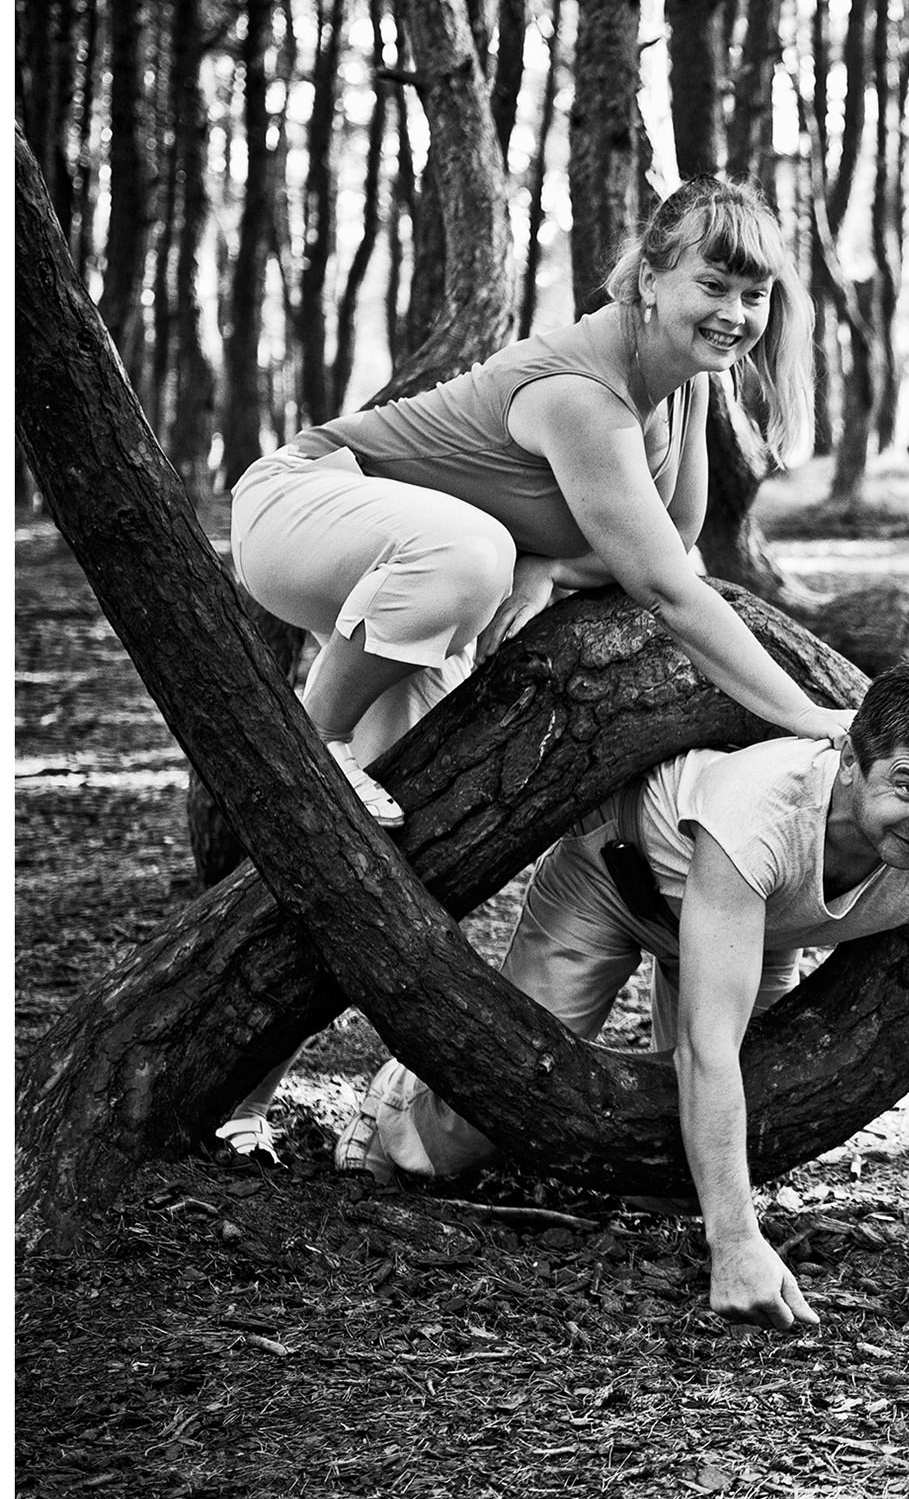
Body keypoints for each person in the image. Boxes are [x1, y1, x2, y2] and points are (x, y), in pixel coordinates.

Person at [215, 175, 845, 1162]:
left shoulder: (674, 391)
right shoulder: (583, 393)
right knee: (472, 556)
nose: (735, 314)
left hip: (416, 602)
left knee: (388, 859)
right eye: (713, 285)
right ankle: (313, 737)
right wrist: (808, 716)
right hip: (303, 506)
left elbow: (658, 555)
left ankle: (235, 1100)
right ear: (646, 279)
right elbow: (675, 596)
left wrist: (548, 556)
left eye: (754, 295)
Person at [338, 658, 909, 1333]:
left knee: (734, 1136)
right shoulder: (762, 810)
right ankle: (400, 1095)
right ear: (851, 760)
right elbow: (705, 1048)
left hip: (753, 923)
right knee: (473, 1122)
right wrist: (737, 1245)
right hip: (620, 881)